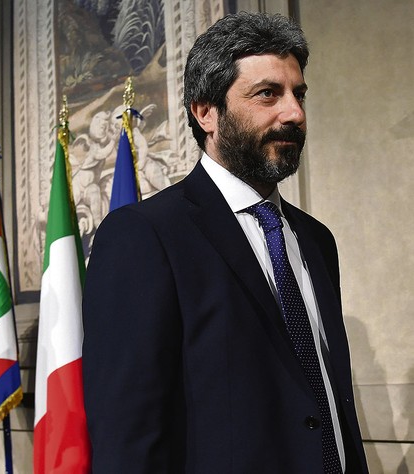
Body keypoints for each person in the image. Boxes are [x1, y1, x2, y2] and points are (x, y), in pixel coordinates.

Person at [82, 12, 368, 473]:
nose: (294, 113)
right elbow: (127, 436)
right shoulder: (143, 236)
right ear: (206, 112)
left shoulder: (316, 240)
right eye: (267, 94)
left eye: (299, 94)